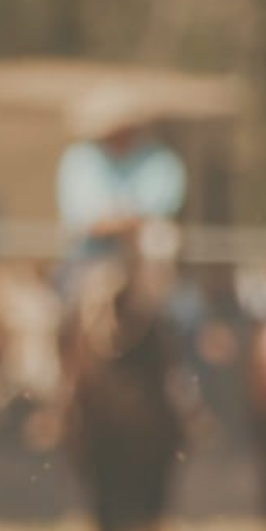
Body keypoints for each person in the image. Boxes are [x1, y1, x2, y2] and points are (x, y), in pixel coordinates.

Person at [55, 84, 206, 427]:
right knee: (60, 308)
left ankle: (185, 390)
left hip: (147, 261)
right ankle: (62, 395)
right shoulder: (81, 160)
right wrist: (125, 221)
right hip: (89, 259)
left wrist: (118, 222)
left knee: (187, 312)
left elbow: (159, 211)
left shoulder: (159, 161)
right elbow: (86, 220)